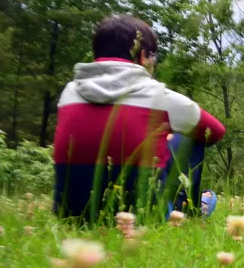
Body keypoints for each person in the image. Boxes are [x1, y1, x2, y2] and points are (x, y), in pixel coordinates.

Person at [53, 15, 226, 221]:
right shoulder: (159, 95)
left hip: (72, 215)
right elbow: (214, 131)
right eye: (155, 57)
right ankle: (188, 208)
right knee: (192, 136)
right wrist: (167, 134)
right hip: (145, 217)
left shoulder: (69, 92)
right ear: (143, 56)